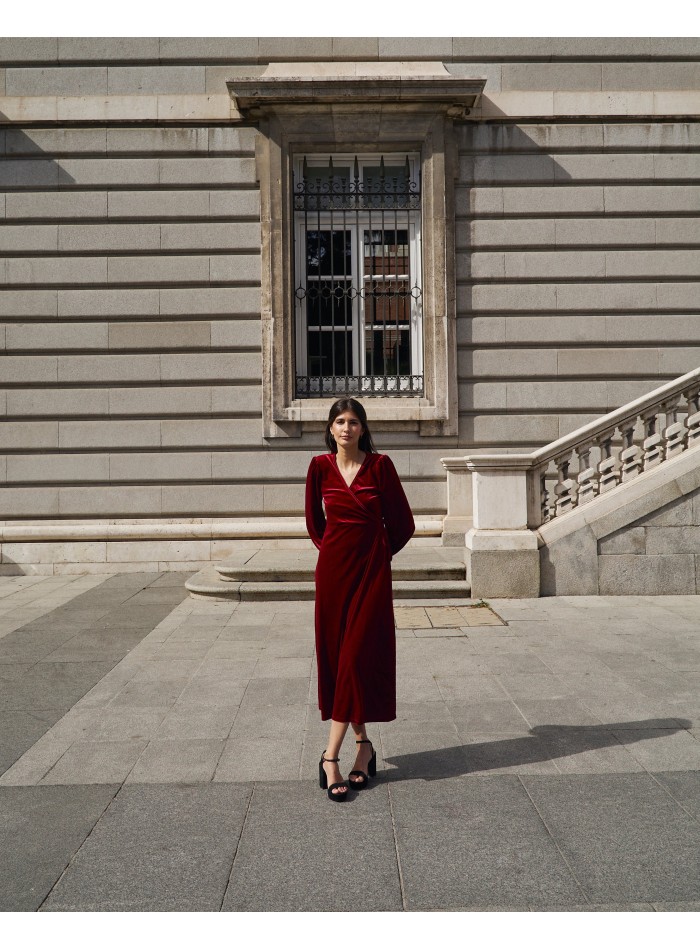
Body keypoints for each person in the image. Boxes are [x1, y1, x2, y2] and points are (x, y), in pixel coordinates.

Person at [304, 397, 415, 802]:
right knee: (338, 660)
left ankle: (329, 755)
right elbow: (315, 525)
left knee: (354, 658)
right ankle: (363, 746)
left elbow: (404, 523)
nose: (347, 428)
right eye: (339, 422)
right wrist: (334, 551)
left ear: (363, 428)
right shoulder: (319, 467)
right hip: (333, 575)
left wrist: (378, 553)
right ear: (330, 429)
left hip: (371, 574)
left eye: (353, 422)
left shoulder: (381, 466)